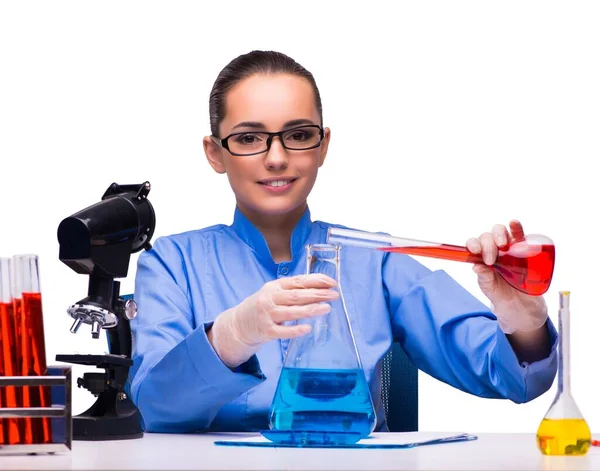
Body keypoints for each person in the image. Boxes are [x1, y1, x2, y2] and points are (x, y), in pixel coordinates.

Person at [128, 50, 557, 434]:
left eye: (297, 135)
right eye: (249, 138)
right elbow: (154, 410)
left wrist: (522, 320)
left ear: (323, 144)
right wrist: (233, 334)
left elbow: (512, 378)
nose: (277, 158)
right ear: (215, 152)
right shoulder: (171, 263)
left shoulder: (378, 261)